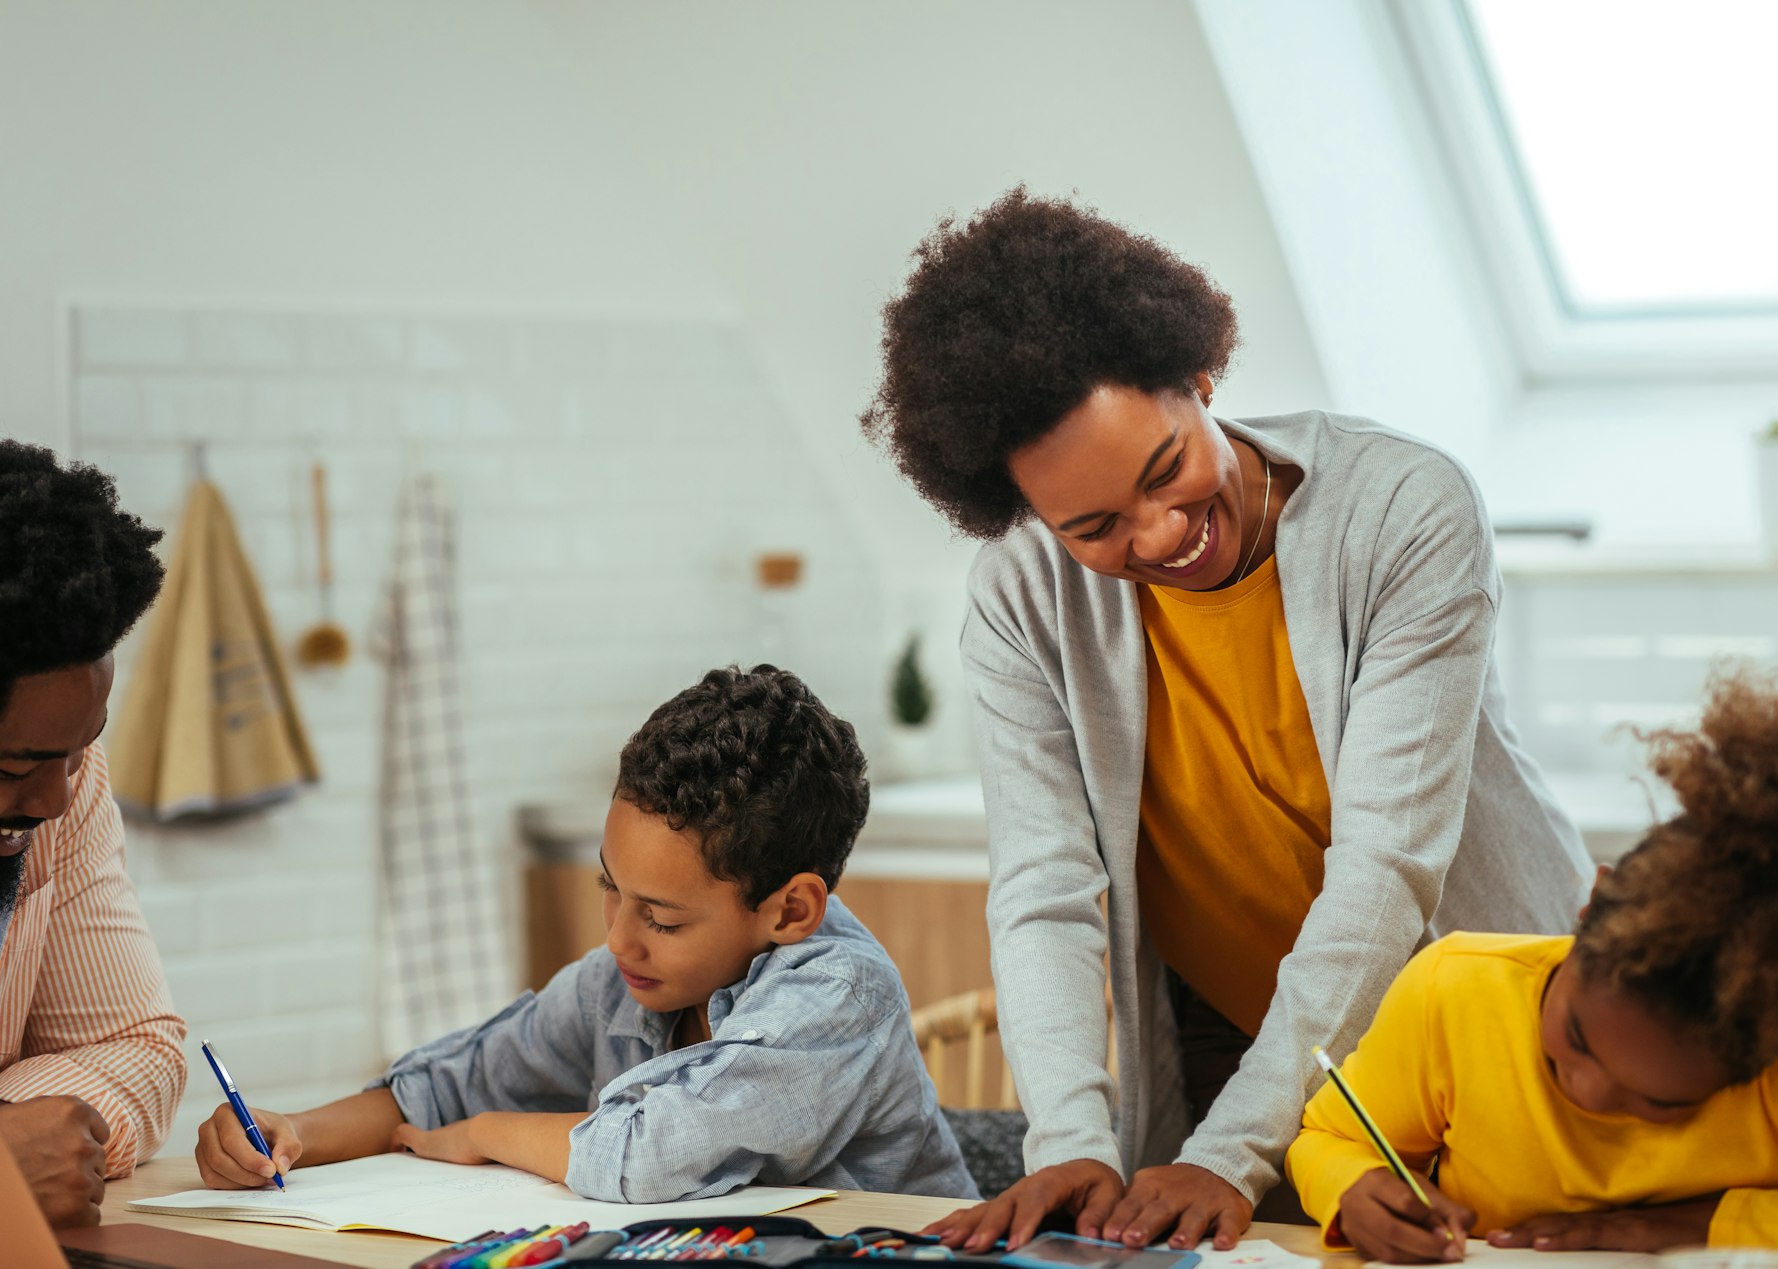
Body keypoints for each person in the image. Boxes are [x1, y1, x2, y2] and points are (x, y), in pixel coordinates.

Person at [861, 189, 1590, 1252]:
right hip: (1240, 1038)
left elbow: (1387, 866)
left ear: (1197, 378)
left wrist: (1226, 1150)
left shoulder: (1400, 510)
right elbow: (1045, 889)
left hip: (1492, 1027)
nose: (1159, 534)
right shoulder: (1021, 595)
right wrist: (1069, 1138)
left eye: (1166, 468)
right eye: (1094, 526)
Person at [1290, 671, 1778, 1266]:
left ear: (1767, 1056)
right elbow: (1329, 1135)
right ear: (1590, 906)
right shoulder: (1455, 995)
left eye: (1661, 1102)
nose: (1591, 1093)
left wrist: (1710, 1221)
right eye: (1577, 1037)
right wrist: (1355, 1183)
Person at [196, 664, 977, 1202]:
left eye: (663, 918)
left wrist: (486, 1134)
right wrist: (294, 1129)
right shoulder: (631, 978)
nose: (620, 939)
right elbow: (447, 1083)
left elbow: (651, 1150)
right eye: (611, 887)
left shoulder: (839, 993)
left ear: (790, 910)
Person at [0, 440, 189, 1226]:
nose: (56, 798)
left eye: (80, 749)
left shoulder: (64, 788)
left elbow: (143, 1050)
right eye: (15, 766)